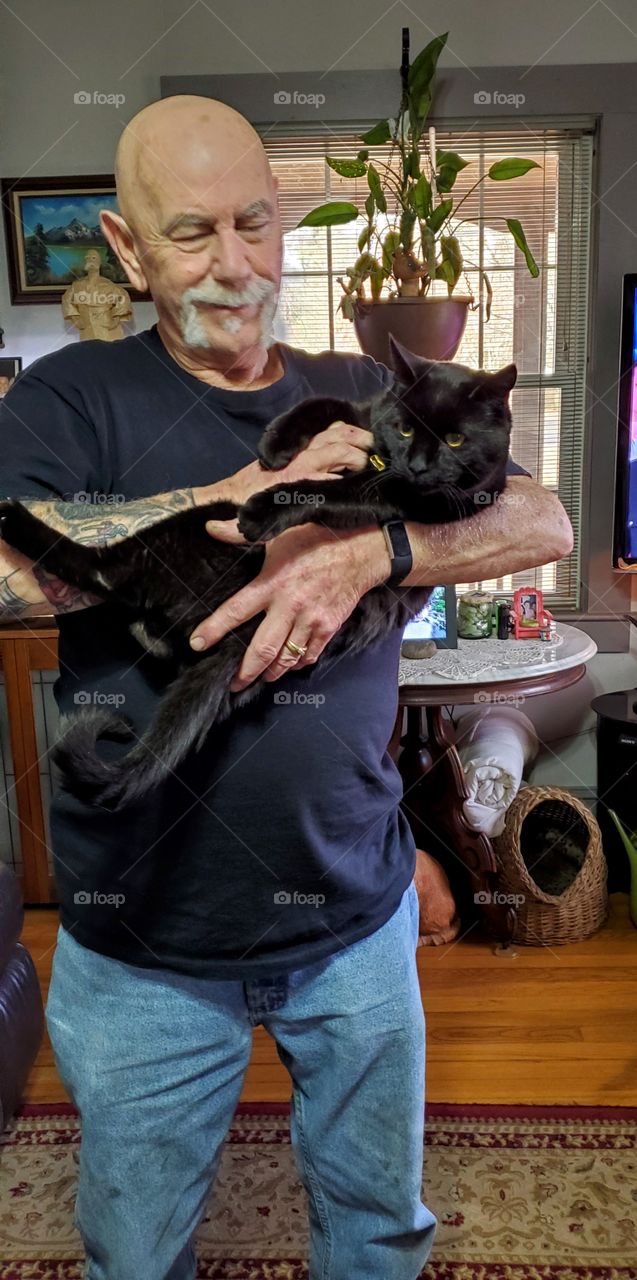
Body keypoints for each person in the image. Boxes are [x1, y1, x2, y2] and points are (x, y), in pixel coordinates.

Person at [0, 95, 573, 1280]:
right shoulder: (68, 400)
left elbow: (542, 515)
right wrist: (235, 508)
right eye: (191, 232)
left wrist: (373, 548)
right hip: (142, 937)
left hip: (353, 922)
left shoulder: (367, 383)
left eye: (254, 223)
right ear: (126, 248)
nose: (233, 263)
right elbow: (14, 569)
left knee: (376, 1229)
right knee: (135, 1246)